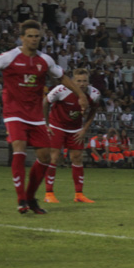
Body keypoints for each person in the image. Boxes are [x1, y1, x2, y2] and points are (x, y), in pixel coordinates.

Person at [0, 20, 88, 214]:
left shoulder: (45, 60)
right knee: (19, 147)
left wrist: (81, 95)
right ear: (22, 38)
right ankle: (21, 200)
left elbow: (63, 78)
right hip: (14, 112)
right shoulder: (10, 56)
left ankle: (30, 197)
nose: (34, 39)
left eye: (37, 36)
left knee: (45, 156)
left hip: (35, 115)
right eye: (30, 36)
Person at [43, 68, 100, 204]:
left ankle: (79, 194)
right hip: (57, 126)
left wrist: (84, 129)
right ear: (73, 81)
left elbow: (93, 111)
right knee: (54, 157)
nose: (81, 84)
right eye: (78, 81)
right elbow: (45, 102)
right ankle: (49, 193)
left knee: (77, 158)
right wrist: (46, 124)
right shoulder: (61, 90)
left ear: (88, 82)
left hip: (75, 129)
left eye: (84, 81)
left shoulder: (94, 94)